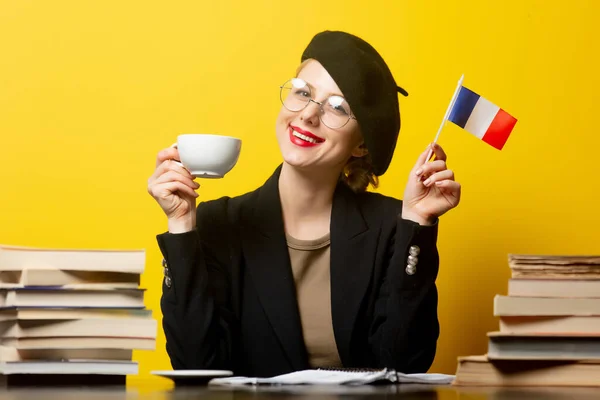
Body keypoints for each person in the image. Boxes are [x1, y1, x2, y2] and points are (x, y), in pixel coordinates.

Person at [147, 30, 461, 377]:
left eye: (338, 107)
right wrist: (180, 226)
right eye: (302, 93)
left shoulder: (391, 225)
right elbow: (195, 365)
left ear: (361, 146)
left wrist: (417, 223)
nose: (309, 115)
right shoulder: (219, 223)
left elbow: (404, 363)